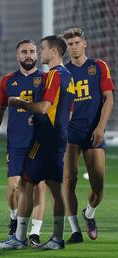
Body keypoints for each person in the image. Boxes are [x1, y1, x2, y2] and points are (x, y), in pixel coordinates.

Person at [0, 35, 75, 250]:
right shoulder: (69, 76)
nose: (40, 53)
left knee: (27, 184)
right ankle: (57, 238)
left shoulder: (52, 76)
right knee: (55, 189)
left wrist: (18, 102)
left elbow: (43, 107)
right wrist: (41, 119)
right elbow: (67, 111)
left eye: (43, 49)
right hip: (59, 137)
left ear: (54, 52)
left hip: (45, 140)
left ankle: (19, 238)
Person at [0, 39, 46, 246]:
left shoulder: (46, 79)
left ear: (37, 55)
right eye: (23, 52)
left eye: (31, 51)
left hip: (40, 141)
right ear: (17, 56)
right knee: (14, 187)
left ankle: (35, 233)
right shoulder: (8, 81)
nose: (28, 55)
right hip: (16, 142)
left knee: (39, 187)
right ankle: (14, 220)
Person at [63, 27, 114, 243]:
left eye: (76, 43)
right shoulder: (61, 73)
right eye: (69, 44)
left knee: (98, 185)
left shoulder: (99, 67)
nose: (73, 47)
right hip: (69, 133)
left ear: (84, 43)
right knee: (68, 180)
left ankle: (89, 214)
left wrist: (101, 126)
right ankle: (75, 230)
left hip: (93, 132)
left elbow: (108, 98)